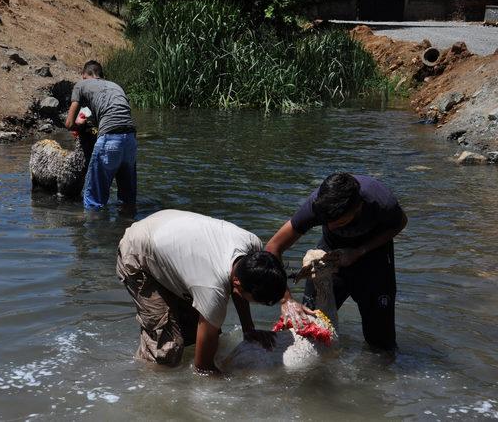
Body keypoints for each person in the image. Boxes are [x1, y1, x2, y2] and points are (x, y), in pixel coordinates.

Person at [117, 209, 289, 373]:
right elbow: (203, 367)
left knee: (196, 336)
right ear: (238, 283)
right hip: (139, 251)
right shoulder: (212, 288)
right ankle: (144, 384)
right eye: (255, 300)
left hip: (167, 231)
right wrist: (231, 385)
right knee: (166, 350)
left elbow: (238, 290)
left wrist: (249, 330)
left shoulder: (253, 247)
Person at [266, 173, 407, 351]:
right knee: (309, 330)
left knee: (381, 345)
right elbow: (273, 247)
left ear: (358, 208)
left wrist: (359, 251)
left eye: (339, 222)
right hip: (330, 258)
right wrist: (286, 299)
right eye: (326, 222)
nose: (331, 227)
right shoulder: (317, 205)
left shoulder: (381, 202)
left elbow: (400, 222)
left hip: (374, 257)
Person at [65, 60, 137, 210]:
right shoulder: (116, 86)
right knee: (128, 200)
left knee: (94, 201)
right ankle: (127, 228)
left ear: (84, 75)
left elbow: (69, 124)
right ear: (101, 75)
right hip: (130, 140)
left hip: (109, 139)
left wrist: (80, 128)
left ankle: (94, 230)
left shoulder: (81, 85)